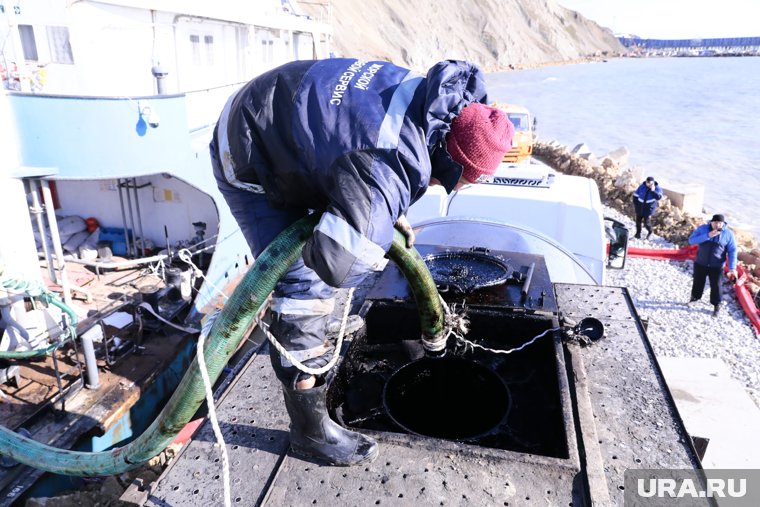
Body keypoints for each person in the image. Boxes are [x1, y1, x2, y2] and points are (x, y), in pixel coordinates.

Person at [209, 58, 514, 466]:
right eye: (462, 180)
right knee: (304, 284)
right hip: (250, 148)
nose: (454, 187)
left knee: (340, 245)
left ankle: (317, 347)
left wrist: (380, 213)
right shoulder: (387, 162)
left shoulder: (442, 103)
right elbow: (336, 265)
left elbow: (365, 156)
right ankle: (309, 428)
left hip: (286, 113)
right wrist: (371, 224)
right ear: (452, 160)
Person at [687, 214, 738, 317]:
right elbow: (691, 241)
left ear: (723, 224)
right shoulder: (703, 229)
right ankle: (695, 298)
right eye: (715, 223)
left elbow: (732, 251)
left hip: (717, 266)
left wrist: (732, 268)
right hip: (701, 262)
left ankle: (716, 305)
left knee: (716, 286)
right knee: (698, 281)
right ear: (711, 222)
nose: (717, 225)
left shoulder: (728, 234)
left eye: (720, 223)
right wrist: (708, 236)